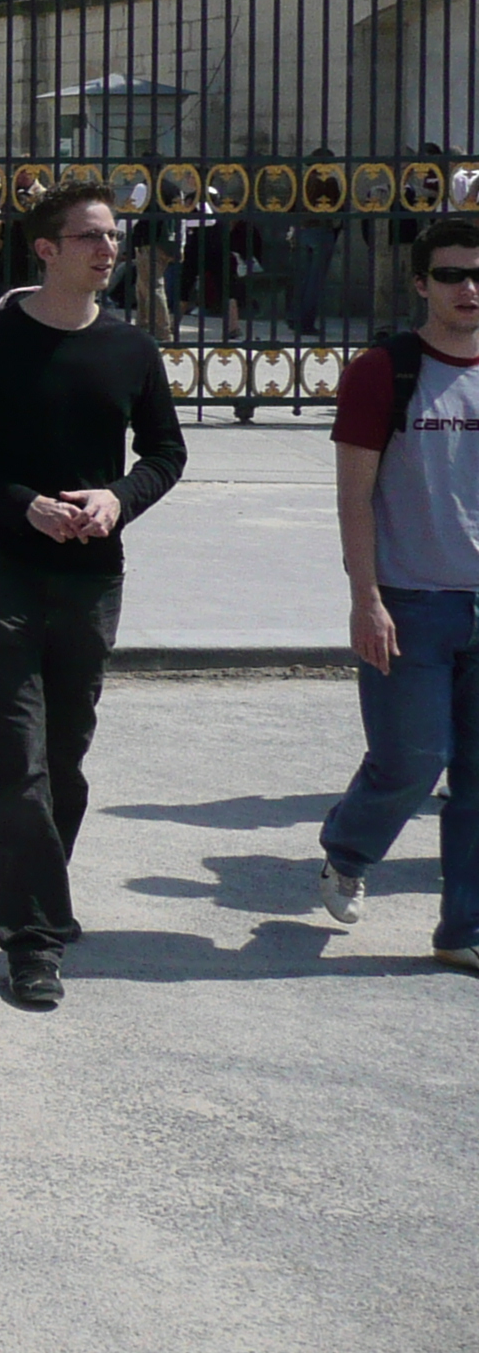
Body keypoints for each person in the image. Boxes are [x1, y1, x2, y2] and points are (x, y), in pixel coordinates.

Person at [0, 179, 188, 1011]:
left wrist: (117, 498)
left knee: (65, 757)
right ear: (46, 249)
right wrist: (18, 502)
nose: (109, 249)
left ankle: (36, 888)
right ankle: (31, 938)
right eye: (91, 237)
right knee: (15, 759)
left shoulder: (131, 350)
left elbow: (165, 454)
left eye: (113, 237)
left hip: (89, 576)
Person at [313, 215, 479, 966]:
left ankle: (464, 932)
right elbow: (355, 496)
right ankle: (350, 848)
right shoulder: (386, 370)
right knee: (413, 757)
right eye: (451, 275)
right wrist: (365, 598)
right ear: (420, 284)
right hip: (412, 602)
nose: (469, 289)